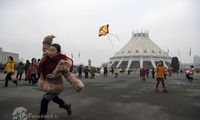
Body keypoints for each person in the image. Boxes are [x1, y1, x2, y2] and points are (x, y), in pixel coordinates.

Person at [37, 35, 84, 120]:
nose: (50, 52)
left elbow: (68, 75)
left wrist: (76, 83)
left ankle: (41, 116)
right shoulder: (46, 56)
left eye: (53, 51)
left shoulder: (61, 63)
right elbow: (45, 46)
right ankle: (66, 106)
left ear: (58, 52)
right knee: (54, 98)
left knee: (45, 99)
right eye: (50, 50)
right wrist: (49, 38)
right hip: (48, 83)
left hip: (55, 85)